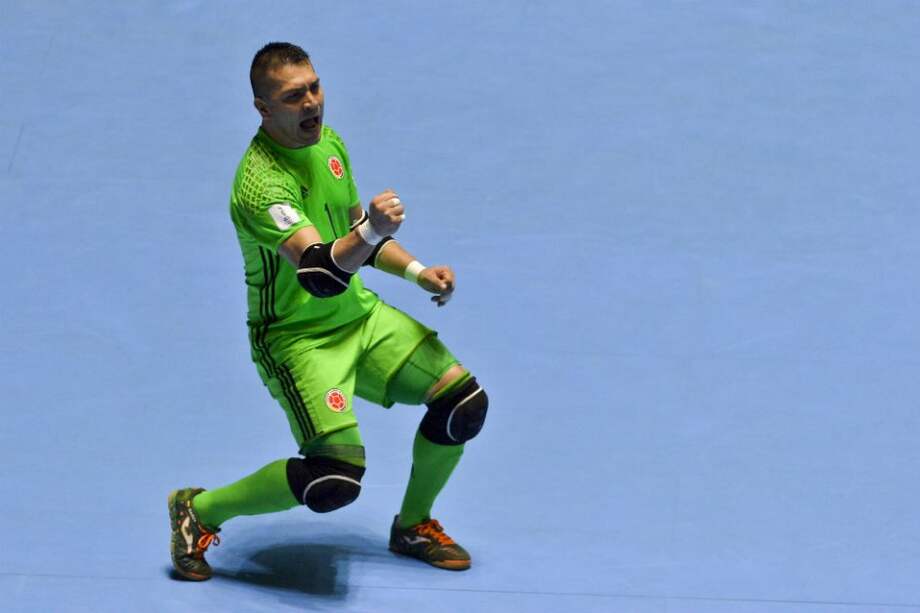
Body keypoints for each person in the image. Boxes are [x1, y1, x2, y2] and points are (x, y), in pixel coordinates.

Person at [168, 42, 488, 581]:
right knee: (333, 479)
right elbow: (320, 272)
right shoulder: (260, 185)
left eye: (315, 87)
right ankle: (198, 511)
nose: (312, 103)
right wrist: (370, 232)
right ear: (263, 108)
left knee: (463, 404)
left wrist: (416, 271)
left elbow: (356, 236)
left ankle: (413, 525)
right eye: (294, 96)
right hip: (297, 340)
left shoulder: (329, 143)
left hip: (360, 318)